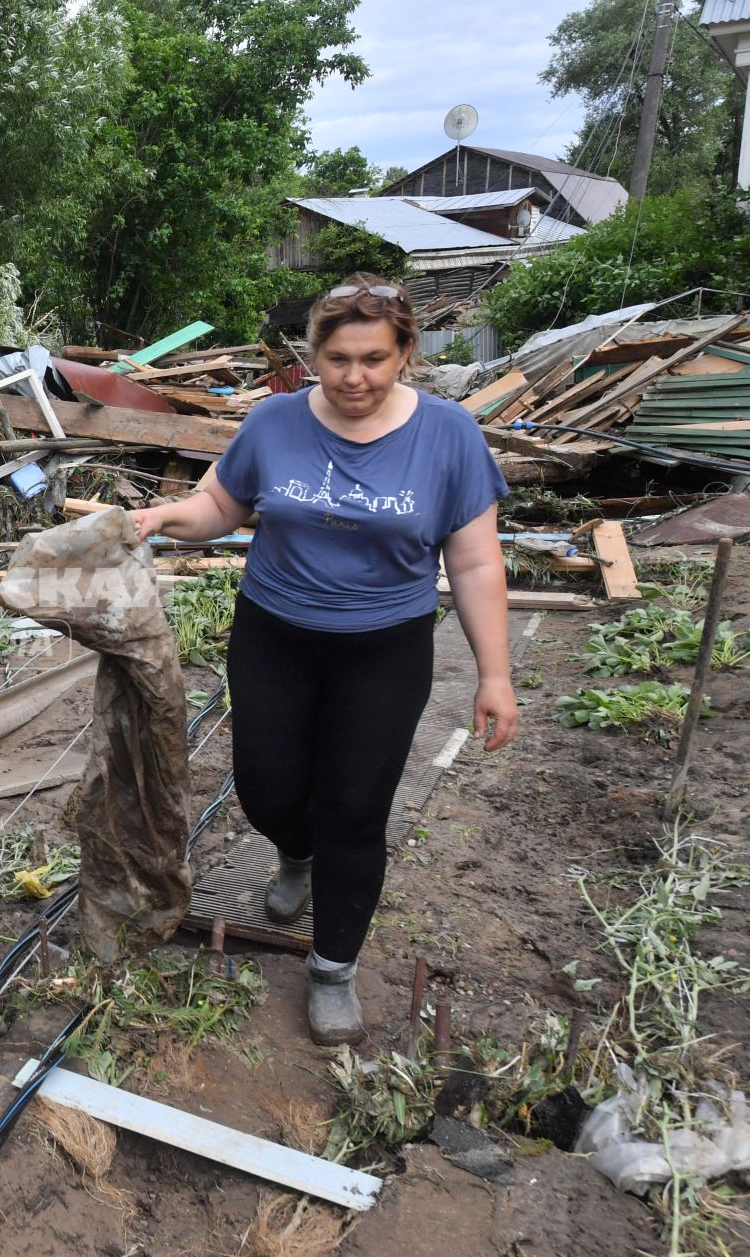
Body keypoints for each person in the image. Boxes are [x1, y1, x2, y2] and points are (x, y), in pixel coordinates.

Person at [130, 275, 518, 1045]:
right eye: (337, 358)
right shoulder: (274, 422)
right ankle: (293, 854)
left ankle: (333, 967)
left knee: (355, 809)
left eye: (374, 358)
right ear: (313, 355)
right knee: (267, 789)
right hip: (275, 633)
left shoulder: (448, 436)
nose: (354, 377)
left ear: (406, 352)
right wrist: (168, 515)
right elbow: (221, 508)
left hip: (385, 647)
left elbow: (474, 564)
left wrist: (496, 674)